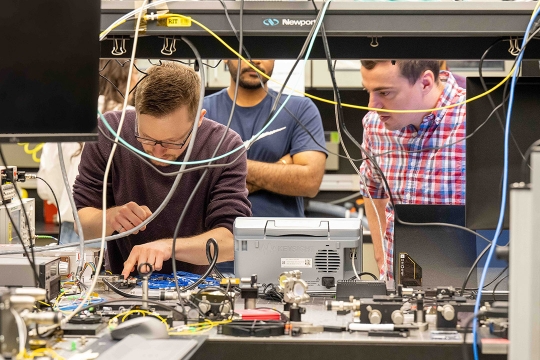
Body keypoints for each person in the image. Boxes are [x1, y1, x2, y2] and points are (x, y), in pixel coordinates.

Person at [73, 62, 251, 278]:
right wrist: (110, 218)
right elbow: (81, 225)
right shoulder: (110, 133)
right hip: (122, 284)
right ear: (136, 113)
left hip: (194, 289)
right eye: (146, 139)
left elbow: (231, 242)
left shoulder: (224, 146)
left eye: (172, 142)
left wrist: (168, 248)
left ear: (199, 120)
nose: (157, 152)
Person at [358, 60, 466, 281]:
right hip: (398, 284)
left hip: (466, 285)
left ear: (425, 83)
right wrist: (381, 256)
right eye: (368, 91)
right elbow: (372, 188)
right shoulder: (375, 125)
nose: (372, 105)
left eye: (385, 93)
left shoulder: (474, 117)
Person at [203, 59, 327, 217]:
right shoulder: (202, 112)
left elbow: (309, 181)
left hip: (282, 237)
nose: (254, 60)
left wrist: (225, 166)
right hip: (218, 235)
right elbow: (192, 178)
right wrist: (283, 165)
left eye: (263, 50)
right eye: (244, 50)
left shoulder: (300, 109)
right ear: (226, 57)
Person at [37, 59, 137, 244]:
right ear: (126, 78)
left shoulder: (67, 118)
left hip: (70, 232)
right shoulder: (131, 119)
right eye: (136, 72)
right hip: (116, 232)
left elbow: (45, 185)